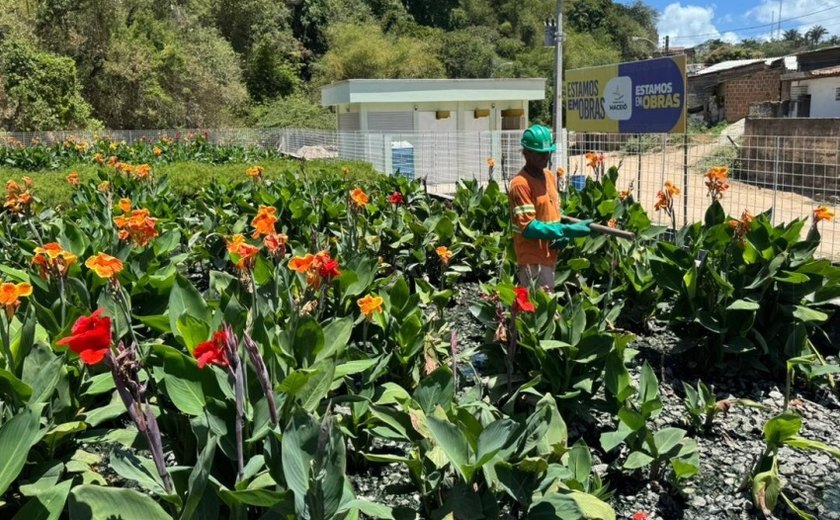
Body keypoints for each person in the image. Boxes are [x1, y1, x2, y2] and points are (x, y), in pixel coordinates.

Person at [508, 124, 592, 290]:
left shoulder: (548, 176)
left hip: (549, 254)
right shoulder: (520, 184)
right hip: (533, 258)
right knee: (540, 308)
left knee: (536, 307)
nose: (545, 157)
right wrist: (566, 230)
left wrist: (562, 234)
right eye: (540, 153)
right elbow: (529, 227)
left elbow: (552, 211)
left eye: (548, 152)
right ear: (526, 153)